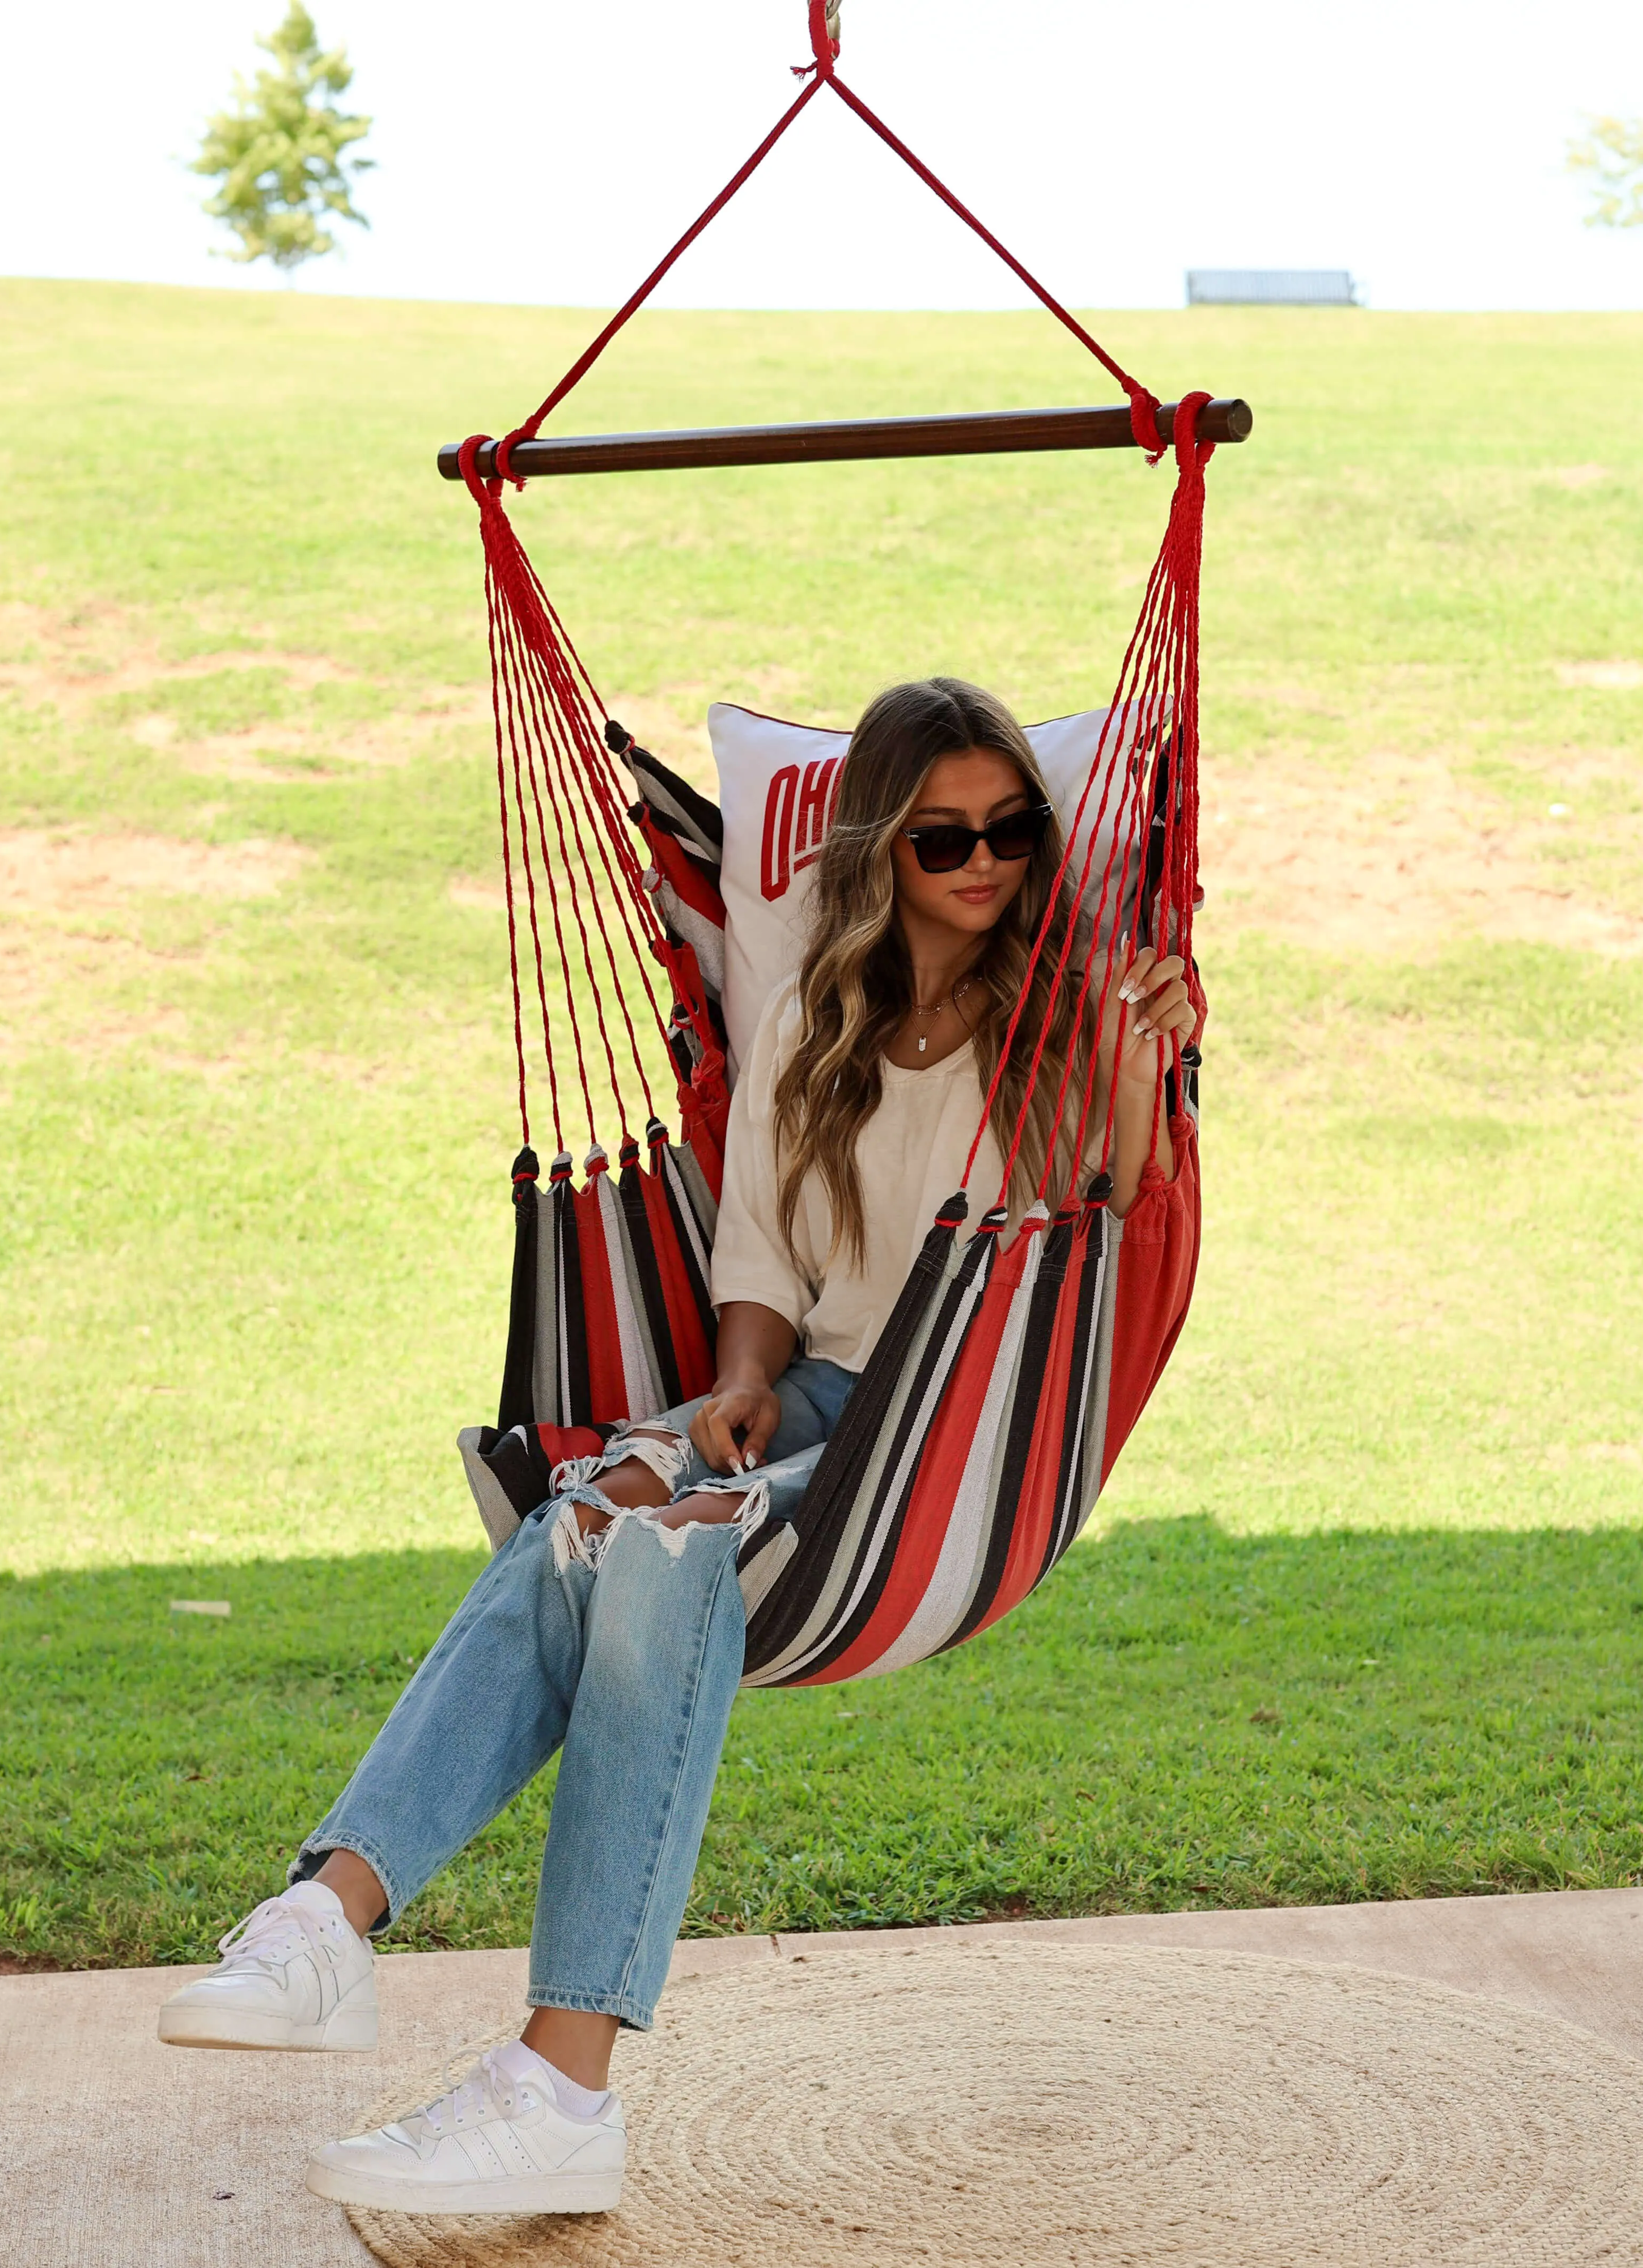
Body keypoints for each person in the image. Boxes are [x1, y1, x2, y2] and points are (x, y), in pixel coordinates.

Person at [155, 677, 1196, 2218]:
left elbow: (1098, 1218)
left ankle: (548, 2080)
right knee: (589, 1511)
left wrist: (1136, 1069)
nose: (984, 860)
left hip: (955, 1429)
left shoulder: (1057, 1014)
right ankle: (332, 1928)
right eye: (942, 837)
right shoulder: (809, 1020)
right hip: (823, 1410)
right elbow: (761, 1249)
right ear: (877, 853)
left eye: (1010, 828)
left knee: (659, 1548)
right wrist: (740, 1382)